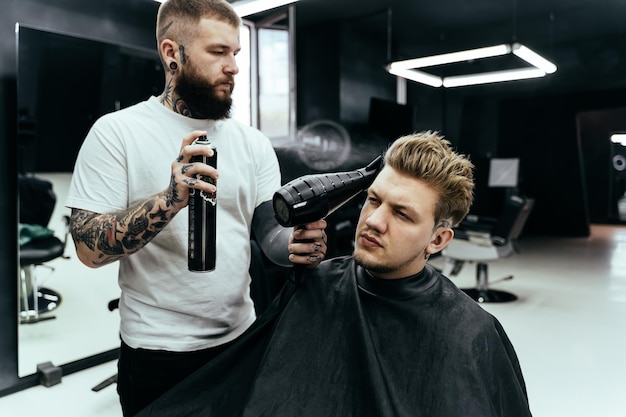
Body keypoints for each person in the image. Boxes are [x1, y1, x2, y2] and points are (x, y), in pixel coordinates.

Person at [137, 131, 533, 417]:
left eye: (402, 213)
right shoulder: (318, 284)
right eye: (373, 200)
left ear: (438, 239)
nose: (374, 221)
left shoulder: (472, 332)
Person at [64, 0, 327, 415]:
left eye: (236, 53)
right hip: (156, 352)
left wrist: (294, 241)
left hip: (240, 341)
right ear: (173, 53)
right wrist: (170, 200)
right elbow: (87, 249)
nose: (234, 67)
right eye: (218, 52)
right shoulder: (117, 133)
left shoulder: (253, 143)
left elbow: (267, 234)